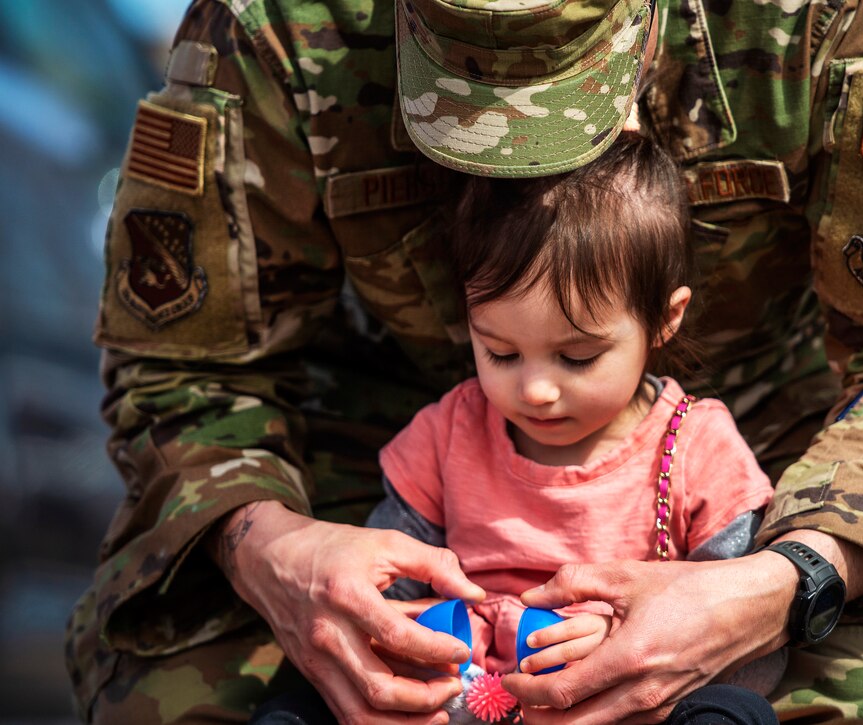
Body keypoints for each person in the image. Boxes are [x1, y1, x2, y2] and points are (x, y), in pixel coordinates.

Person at [66, 0, 863, 723]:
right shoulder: (279, 26)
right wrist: (273, 551)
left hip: (779, 498)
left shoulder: (829, 20)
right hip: (363, 500)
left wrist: (777, 581)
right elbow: (183, 372)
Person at [254, 133, 782, 724]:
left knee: (732, 711)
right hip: (462, 697)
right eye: (501, 352)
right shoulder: (450, 432)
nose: (535, 390)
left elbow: (746, 636)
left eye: (577, 358)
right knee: (301, 696)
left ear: (664, 318)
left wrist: (622, 637)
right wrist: (395, 635)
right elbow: (385, 589)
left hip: (628, 704)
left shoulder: (695, 447)